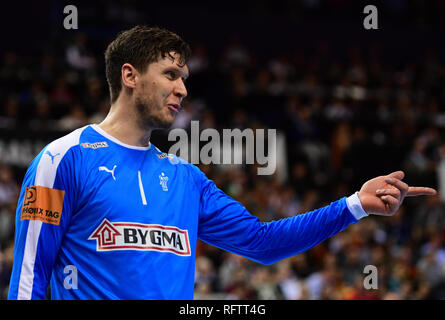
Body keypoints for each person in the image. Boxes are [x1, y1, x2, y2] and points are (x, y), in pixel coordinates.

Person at [7, 26, 436, 300]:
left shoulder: (186, 179)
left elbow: (263, 243)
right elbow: (28, 282)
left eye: (185, 79)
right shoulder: (62, 160)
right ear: (130, 75)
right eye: (171, 75)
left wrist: (353, 205)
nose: (182, 90)